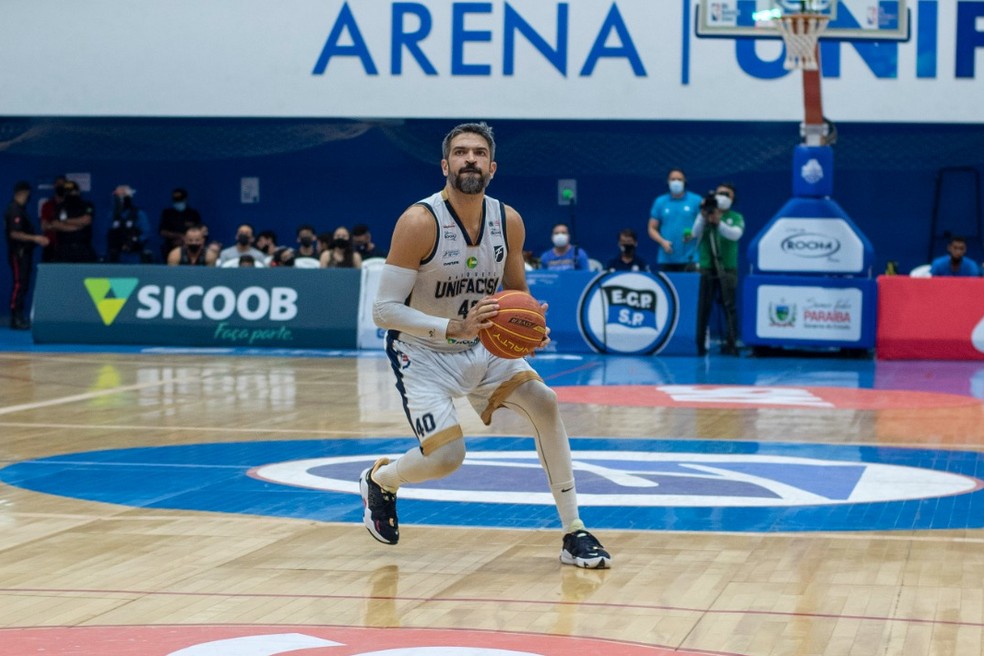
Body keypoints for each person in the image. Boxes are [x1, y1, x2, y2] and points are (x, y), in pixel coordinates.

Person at [365, 122, 611, 569]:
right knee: (446, 458)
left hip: (482, 348)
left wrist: (532, 324)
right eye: (460, 153)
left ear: (492, 167)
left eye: (479, 153)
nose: (470, 160)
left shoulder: (508, 220)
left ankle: (574, 530)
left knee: (545, 402)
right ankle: (382, 480)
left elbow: (517, 293)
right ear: (445, 165)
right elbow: (383, 311)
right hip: (423, 353)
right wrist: (453, 327)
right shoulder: (419, 222)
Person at [692, 184, 744, 356]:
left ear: (732, 199)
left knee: (729, 306)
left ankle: (732, 343)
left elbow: (734, 234)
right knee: (703, 306)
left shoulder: (736, 217)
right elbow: (694, 233)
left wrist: (719, 223)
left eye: (726, 194)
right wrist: (703, 216)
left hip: (727, 267)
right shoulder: (704, 216)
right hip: (707, 267)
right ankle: (699, 344)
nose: (722, 196)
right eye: (719, 193)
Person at [4, 181, 49, 329]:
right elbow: (14, 233)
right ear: (23, 193)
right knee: (19, 284)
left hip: (26, 253)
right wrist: (35, 238)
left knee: (24, 285)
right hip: (19, 254)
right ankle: (15, 317)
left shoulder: (22, 210)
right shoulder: (14, 210)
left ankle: (20, 316)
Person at [648, 168, 701, 271]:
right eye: (673, 179)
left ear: (685, 181)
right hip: (667, 258)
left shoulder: (696, 200)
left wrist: (693, 234)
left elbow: (704, 225)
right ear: (668, 182)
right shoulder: (660, 202)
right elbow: (651, 228)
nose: (676, 182)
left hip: (691, 258)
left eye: (679, 179)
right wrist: (662, 242)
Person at [50, 180, 96, 262]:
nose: (71, 194)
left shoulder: (87, 205)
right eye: (68, 192)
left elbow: (86, 220)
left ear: (78, 192)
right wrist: (77, 227)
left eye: (72, 192)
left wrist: (64, 221)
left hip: (82, 248)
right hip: (63, 248)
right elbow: (55, 224)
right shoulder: (60, 207)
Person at [106, 185, 152, 263]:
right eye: (116, 196)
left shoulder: (138, 214)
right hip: (115, 257)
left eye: (121, 196)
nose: (118, 199)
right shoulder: (112, 215)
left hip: (134, 256)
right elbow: (108, 233)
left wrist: (132, 242)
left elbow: (146, 233)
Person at [158, 188, 203, 262]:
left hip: (191, 245)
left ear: (185, 199)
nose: (178, 203)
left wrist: (185, 240)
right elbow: (162, 231)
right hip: (171, 245)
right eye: (176, 201)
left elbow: (199, 230)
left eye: (180, 200)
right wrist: (179, 236)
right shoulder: (167, 213)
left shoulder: (193, 214)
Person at [38, 175, 66, 263]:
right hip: (50, 245)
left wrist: (52, 225)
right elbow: (43, 226)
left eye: (63, 184)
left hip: (66, 247)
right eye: (58, 184)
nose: (60, 187)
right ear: (54, 186)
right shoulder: (47, 205)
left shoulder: (70, 205)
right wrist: (61, 226)